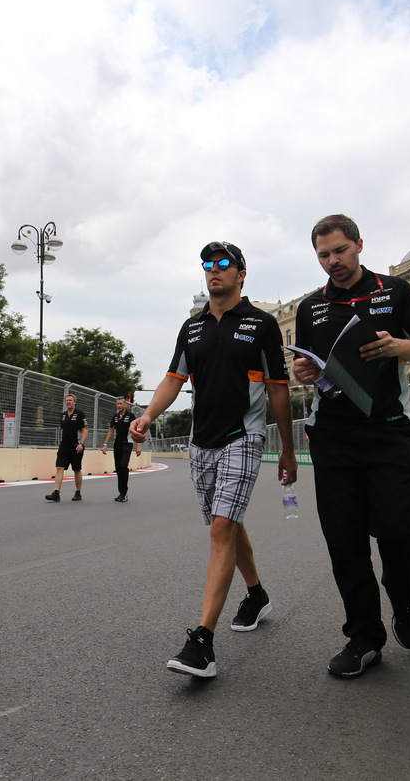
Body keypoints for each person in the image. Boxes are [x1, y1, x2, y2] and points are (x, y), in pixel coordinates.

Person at [130, 241, 297, 678]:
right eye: (207, 265)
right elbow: (173, 378)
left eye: (223, 264)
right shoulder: (192, 327)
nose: (214, 271)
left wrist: (288, 449)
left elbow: (278, 389)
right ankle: (256, 594)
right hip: (202, 444)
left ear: (242, 274)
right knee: (227, 523)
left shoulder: (262, 325)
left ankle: (202, 641)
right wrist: (148, 415)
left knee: (222, 526)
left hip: (245, 435)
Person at [291, 214, 410, 678]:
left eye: (339, 251)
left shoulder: (395, 291)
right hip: (332, 438)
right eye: (323, 255)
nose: (332, 261)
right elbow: (305, 365)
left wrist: (397, 345)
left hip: (389, 430)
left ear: (358, 244)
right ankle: (364, 637)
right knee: (345, 542)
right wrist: (304, 373)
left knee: (398, 531)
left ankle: (403, 600)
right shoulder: (309, 307)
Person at [45, 393, 87, 502]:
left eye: (70, 400)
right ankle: (56, 493)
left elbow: (85, 430)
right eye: (67, 400)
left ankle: (78, 492)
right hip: (64, 446)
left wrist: (81, 443)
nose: (68, 402)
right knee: (59, 467)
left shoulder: (80, 414)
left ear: (74, 402)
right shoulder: (63, 415)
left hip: (76, 446)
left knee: (76, 469)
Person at [101, 396, 142, 502]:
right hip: (117, 444)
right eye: (117, 404)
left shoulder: (131, 416)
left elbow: (136, 431)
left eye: (120, 403)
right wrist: (105, 444)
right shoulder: (115, 417)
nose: (119, 405)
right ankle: (121, 493)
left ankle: (124, 492)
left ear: (125, 404)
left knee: (123, 466)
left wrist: (138, 445)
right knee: (119, 469)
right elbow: (111, 431)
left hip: (127, 444)